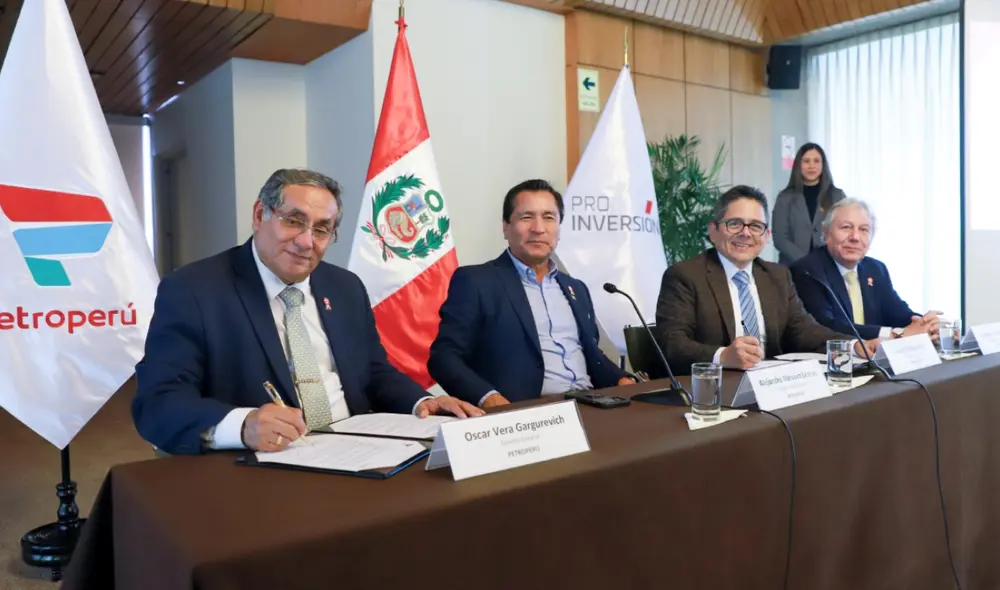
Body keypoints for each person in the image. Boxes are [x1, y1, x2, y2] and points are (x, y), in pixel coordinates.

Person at [133, 168, 482, 455]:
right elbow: (158, 402)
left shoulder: (345, 287)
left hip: (357, 452)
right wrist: (241, 425)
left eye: (322, 229)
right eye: (293, 221)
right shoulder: (194, 289)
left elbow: (373, 372)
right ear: (259, 215)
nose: (306, 242)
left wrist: (421, 402)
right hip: (262, 467)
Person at [428, 179, 633, 407]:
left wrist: (623, 379)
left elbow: (592, 356)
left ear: (558, 228)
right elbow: (443, 359)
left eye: (549, 217)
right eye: (527, 217)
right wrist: (489, 398)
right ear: (506, 227)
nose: (538, 228)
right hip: (525, 414)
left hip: (589, 404)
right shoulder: (477, 282)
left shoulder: (576, 288)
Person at [655, 185, 878, 372]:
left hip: (773, 387)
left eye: (755, 226)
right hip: (715, 389)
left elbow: (804, 331)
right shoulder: (685, 276)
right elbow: (672, 344)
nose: (745, 233)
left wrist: (853, 346)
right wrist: (723, 356)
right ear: (713, 231)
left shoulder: (777, 276)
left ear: (766, 236)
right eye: (734, 224)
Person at [790, 198, 941, 342]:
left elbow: (899, 313)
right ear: (826, 231)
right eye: (846, 227)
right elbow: (827, 326)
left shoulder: (876, 269)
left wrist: (926, 325)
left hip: (875, 356)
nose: (855, 237)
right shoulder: (807, 271)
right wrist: (896, 334)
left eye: (864, 229)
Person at [773, 143, 847, 265]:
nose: (811, 166)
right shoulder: (785, 197)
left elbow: (844, 231)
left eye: (816, 161)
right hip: (793, 267)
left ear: (823, 165)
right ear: (799, 165)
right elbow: (780, 239)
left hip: (828, 264)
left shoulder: (837, 196)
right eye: (806, 161)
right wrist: (807, 262)